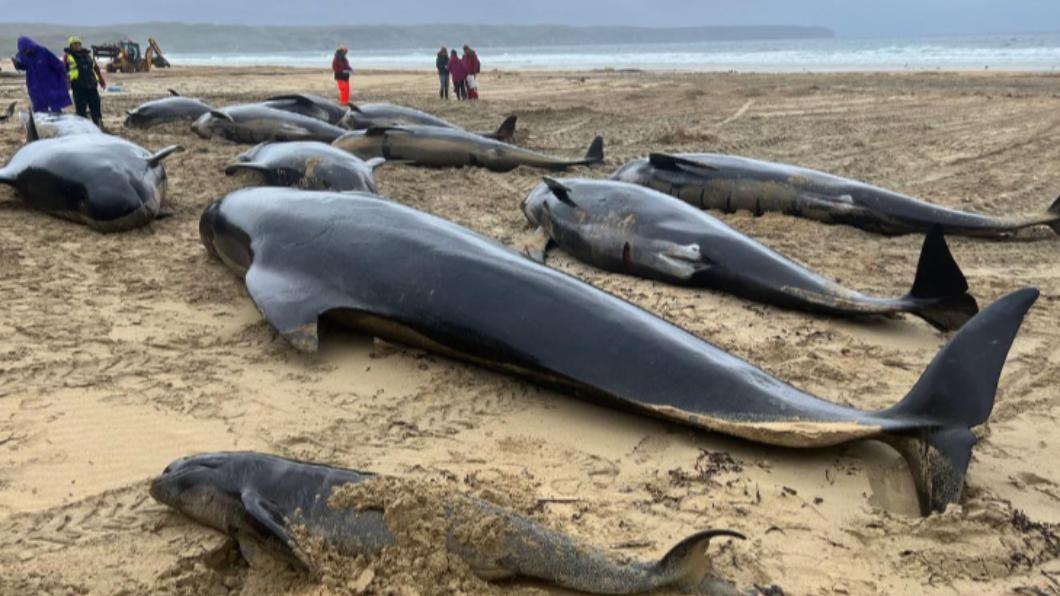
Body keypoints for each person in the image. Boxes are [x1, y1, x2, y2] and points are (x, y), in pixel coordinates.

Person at [12, 36, 72, 114]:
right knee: (39, 109)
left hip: (50, 84)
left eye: (27, 49)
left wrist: (64, 76)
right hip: (34, 85)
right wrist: (17, 64)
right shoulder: (21, 55)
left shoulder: (43, 51)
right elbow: (23, 66)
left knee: (55, 108)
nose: (26, 52)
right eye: (24, 51)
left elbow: (57, 64)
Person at [63, 37, 106, 127]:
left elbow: (96, 68)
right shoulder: (68, 56)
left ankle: (98, 125)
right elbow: (63, 71)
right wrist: (66, 83)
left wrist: (101, 80)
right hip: (78, 87)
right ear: (71, 46)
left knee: (96, 107)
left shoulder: (87, 55)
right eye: (75, 44)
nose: (77, 46)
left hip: (91, 85)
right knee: (81, 110)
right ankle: (82, 128)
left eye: (79, 44)